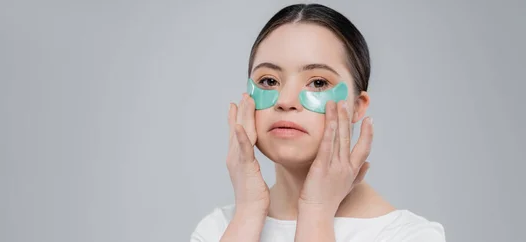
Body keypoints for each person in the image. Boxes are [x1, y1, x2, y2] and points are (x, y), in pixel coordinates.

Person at [190, 3, 446, 242]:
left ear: (357, 106)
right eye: (269, 81)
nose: (285, 101)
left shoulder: (408, 235)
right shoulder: (218, 230)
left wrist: (316, 212)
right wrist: (248, 212)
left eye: (318, 83)